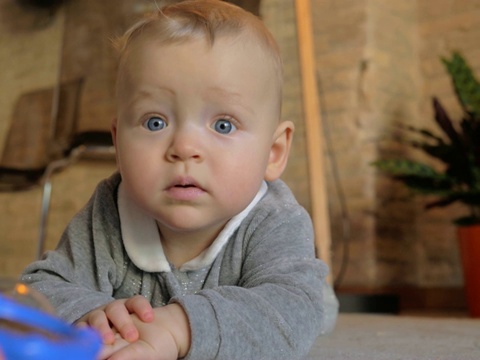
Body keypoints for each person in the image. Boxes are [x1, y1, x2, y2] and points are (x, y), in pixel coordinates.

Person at [22, 0, 337, 359]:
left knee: (317, 309)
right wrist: (89, 312)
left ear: (274, 152)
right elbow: (39, 287)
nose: (184, 148)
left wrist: (178, 328)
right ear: (118, 144)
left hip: (293, 287)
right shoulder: (111, 210)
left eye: (223, 125)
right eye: (155, 122)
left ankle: (324, 290)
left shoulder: (275, 218)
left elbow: (290, 312)